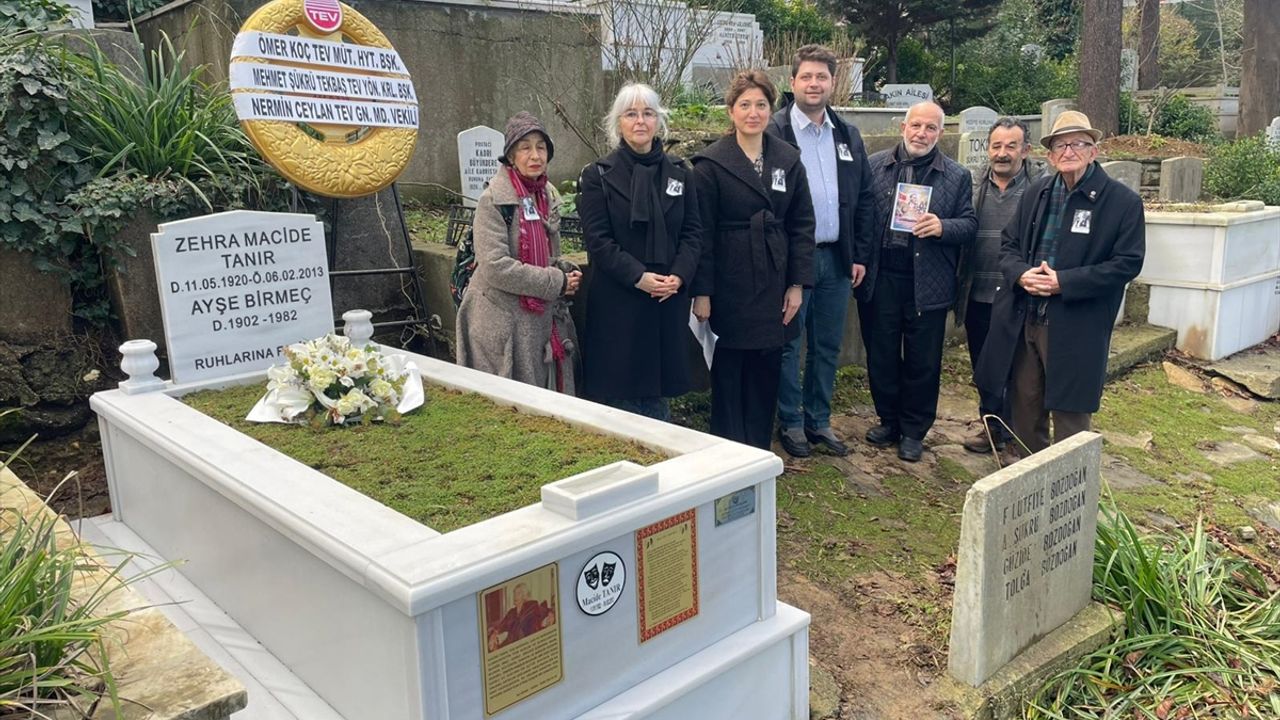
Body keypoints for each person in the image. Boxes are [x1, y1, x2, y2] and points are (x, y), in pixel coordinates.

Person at [976, 111, 1145, 454]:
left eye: (1078, 144)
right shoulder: (1036, 193)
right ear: (1050, 155)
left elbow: (1127, 263)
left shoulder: (1122, 203)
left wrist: (1064, 282)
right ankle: (1028, 473)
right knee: (1025, 403)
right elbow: (1009, 246)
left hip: (1076, 323)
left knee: (1070, 412)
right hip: (1026, 316)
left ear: (1094, 151)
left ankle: (1069, 479)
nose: (1069, 152)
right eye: (1060, 145)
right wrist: (1021, 273)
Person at [691, 70, 815, 450]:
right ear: (731, 111)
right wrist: (702, 292)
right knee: (729, 371)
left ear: (770, 109)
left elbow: (802, 224)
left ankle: (759, 452)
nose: (753, 112)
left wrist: (797, 284)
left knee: (766, 370)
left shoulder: (787, 159)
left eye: (761, 104)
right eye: (744, 104)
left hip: (774, 279)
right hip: (730, 281)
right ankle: (728, 454)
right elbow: (701, 233)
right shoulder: (710, 164)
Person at [767, 44, 875, 458]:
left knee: (827, 344)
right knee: (789, 344)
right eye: (807, 77)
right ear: (792, 82)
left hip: (837, 258)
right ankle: (791, 421)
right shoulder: (774, 132)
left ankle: (818, 419)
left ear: (833, 82)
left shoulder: (847, 135)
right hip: (793, 260)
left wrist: (858, 254)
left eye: (822, 77)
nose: (814, 84)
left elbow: (864, 198)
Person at [858, 101, 977, 462]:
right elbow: (860, 215)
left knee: (922, 361)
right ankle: (889, 420)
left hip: (928, 282)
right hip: (882, 278)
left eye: (930, 128)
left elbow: (970, 224)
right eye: (916, 126)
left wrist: (943, 226)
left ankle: (913, 430)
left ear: (940, 133)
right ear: (903, 128)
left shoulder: (956, 175)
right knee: (881, 355)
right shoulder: (875, 165)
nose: (921, 134)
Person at [578, 83, 702, 420]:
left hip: (666, 300)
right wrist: (639, 277)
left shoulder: (680, 173)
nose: (640, 121)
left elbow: (693, 232)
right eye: (631, 114)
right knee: (622, 399)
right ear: (618, 123)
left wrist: (679, 276)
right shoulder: (598, 175)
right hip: (620, 301)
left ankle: (659, 447)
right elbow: (598, 240)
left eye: (648, 113)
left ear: (658, 120)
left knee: (658, 394)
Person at [456, 112, 582, 394]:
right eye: (525, 148)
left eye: (541, 147)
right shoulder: (493, 201)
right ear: (511, 156)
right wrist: (556, 281)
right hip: (503, 324)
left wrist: (563, 269)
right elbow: (495, 266)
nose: (535, 155)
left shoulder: (546, 195)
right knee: (511, 405)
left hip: (542, 321)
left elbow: (547, 254)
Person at [955, 117, 1038, 455]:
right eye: (997, 146)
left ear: (1025, 150)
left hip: (1019, 294)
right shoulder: (973, 185)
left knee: (1019, 370)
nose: (1002, 153)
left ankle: (1018, 433)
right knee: (984, 366)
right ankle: (991, 427)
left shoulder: (1038, 187)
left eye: (1011, 146)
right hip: (978, 292)